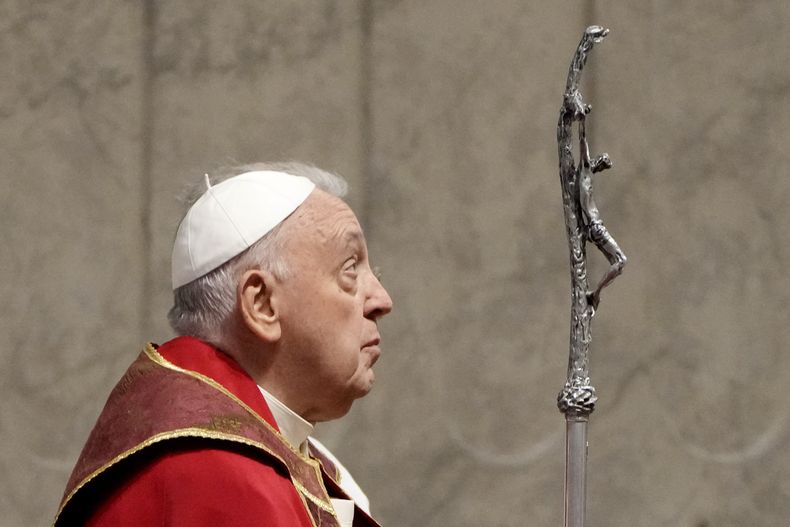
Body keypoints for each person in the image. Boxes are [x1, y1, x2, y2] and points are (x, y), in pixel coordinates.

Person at [54, 162, 393, 527]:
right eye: (350, 269)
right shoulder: (212, 471)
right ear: (261, 304)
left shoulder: (299, 461)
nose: (382, 300)